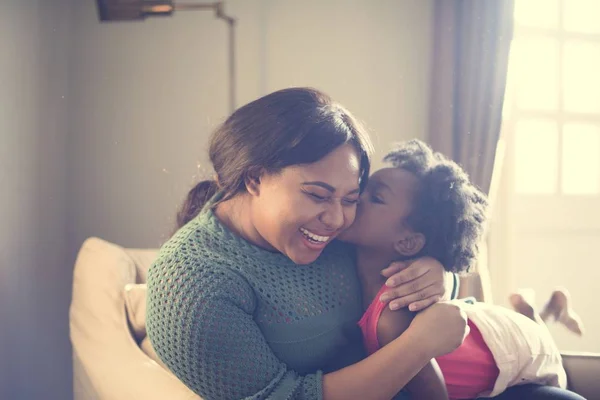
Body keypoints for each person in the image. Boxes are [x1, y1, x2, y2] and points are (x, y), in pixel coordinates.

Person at [146, 88, 467, 400]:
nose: (337, 219)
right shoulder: (193, 286)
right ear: (254, 179)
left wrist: (436, 273)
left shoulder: (341, 234)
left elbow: (404, 254)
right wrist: (418, 345)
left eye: (350, 198)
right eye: (317, 195)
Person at [341, 139, 586, 399]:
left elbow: (436, 396)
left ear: (407, 242)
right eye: (363, 187)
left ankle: (538, 313)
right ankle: (540, 310)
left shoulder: (393, 319)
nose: (357, 196)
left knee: (554, 365)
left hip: (512, 350)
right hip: (481, 330)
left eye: (376, 198)